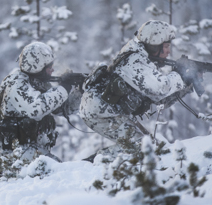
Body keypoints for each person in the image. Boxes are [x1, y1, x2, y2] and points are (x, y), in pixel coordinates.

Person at [79, 20, 196, 155]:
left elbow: (159, 100)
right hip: (100, 112)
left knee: (150, 146)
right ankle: (96, 164)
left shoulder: (142, 56)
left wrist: (187, 84)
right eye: (166, 46)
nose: (169, 52)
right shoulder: (135, 60)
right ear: (155, 45)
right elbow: (161, 89)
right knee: (140, 150)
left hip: (111, 110)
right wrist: (179, 75)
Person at [0, 42, 81, 160]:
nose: (52, 70)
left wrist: (80, 92)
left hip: (33, 151)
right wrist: (63, 89)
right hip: (13, 156)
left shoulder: (38, 82)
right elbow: (36, 109)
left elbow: (62, 108)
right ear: (37, 66)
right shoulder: (15, 83)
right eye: (49, 67)